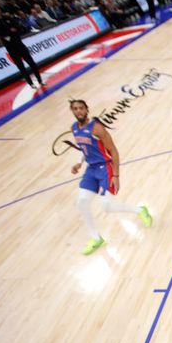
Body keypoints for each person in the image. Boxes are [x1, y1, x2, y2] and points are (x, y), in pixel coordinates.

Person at [68, 100, 153, 255]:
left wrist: (116, 175)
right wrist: (78, 162)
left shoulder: (97, 128)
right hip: (91, 169)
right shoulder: (74, 128)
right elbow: (84, 148)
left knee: (107, 206)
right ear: (72, 111)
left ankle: (140, 210)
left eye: (81, 108)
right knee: (82, 202)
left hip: (105, 168)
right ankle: (96, 238)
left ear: (87, 109)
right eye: (75, 109)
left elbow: (113, 151)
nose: (78, 111)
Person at [0, 2, 45, 89]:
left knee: (32, 64)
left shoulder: (7, 17)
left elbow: (18, 28)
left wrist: (11, 31)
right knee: (22, 68)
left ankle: (40, 80)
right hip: (11, 48)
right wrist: (11, 31)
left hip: (20, 44)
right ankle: (31, 83)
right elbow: (1, 33)